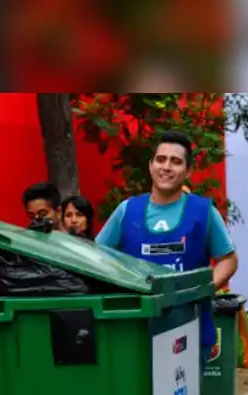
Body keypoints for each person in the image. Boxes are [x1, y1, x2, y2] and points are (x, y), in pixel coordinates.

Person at [95, 131, 239, 362]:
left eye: (176, 161)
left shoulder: (203, 212)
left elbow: (228, 260)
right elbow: (97, 257)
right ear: (151, 165)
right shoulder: (126, 211)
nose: (167, 167)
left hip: (189, 329)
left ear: (188, 171)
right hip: (136, 332)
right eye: (161, 159)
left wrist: (199, 290)